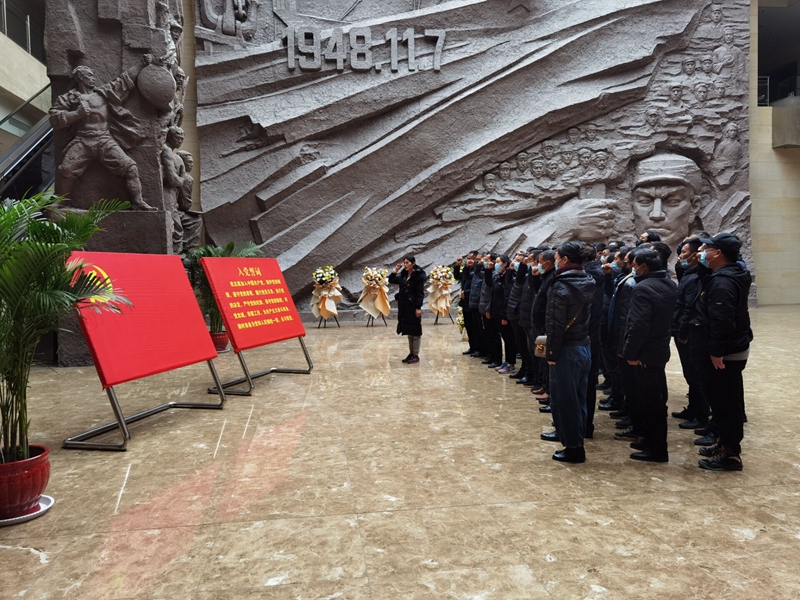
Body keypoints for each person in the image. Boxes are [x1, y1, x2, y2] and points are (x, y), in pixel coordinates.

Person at [693, 233, 753, 471]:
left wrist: (716, 351)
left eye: (705, 249)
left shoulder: (723, 282)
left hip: (725, 354)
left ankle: (730, 454)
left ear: (717, 253)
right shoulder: (726, 275)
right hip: (729, 349)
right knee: (723, 402)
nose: (700, 253)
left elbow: (723, 320)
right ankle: (723, 442)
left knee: (726, 404)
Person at [622, 249, 678, 462]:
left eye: (634, 264)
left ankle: (657, 449)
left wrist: (630, 352)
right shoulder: (669, 284)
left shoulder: (643, 288)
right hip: (659, 348)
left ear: (643, 267)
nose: (632, 268)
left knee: (651, 402)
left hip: (645, 352)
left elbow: (639, 325)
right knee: (655, 399)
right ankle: (650, 440)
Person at [542, 242, 595, 463]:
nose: (555, 261)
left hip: (566, 349)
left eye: (556, 257)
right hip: (583, 345)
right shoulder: (587, 280)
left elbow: (555, 324)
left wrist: (551, 354)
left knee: (565, 400)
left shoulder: (561, 285)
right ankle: (575, 440)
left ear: (564, 260)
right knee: (578, 398)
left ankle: (574, 448)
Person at [671, 237, 710, 429]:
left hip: (688, 332)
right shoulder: (689, 273)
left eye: (684, 252)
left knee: (695, 375)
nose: (680, 256)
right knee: (690, 374)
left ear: (695, 255)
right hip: (682, 328)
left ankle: (701, 415)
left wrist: (683, 332)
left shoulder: (695, 278)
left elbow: (689, 308)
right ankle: (693, 408)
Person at [389, 255, 427, 364]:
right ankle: (411, 353)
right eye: (404, 263)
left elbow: (420, 293)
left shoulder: (418, 276)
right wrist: (395, 271)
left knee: (416, 331)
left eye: (407, 263)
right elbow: (391, 280)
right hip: (405, 307)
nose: (405, 265)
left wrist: (418, 307)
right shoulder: (404, 275)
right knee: (409, 331)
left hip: (413, 306)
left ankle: (416, 354)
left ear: (413, 263)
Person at [490, 255, 517, 373]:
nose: (495, 264)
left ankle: (511, 363)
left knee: (509, 339)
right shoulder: (498, 276)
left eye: (498, 262)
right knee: (505, 338)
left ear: (505, 263)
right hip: (497, 312)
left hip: (504, 314)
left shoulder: (508, 277)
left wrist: (505, 315)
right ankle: (506, 361)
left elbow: (507, 297)